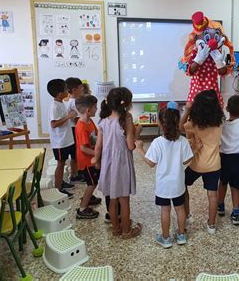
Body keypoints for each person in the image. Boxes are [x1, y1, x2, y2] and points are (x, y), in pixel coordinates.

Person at [136, 102, 194, 248]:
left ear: (161, 123)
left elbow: (150, 163)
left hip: (163, 186)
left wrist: (140, 149)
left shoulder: (157, 142)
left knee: (165, 210)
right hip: (178, 184)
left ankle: (166, 238)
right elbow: (187, 160)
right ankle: (181, 235)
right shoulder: (182, 141)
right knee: (180, 208)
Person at [92, 87, 142, 239]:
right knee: (124, 200)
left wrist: (97, 161)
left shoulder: (103, 121)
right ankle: (127, 231)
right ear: (126, 103)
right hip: (122, 164)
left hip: (108, 164)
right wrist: (137, 134)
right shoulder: (126, 118)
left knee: (112, 200)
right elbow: (130, 146)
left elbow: (98, 146)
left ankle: (116, 229)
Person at [179, 89, 224, 235]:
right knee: (212, 195)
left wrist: (187, 110)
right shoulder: (219, 122)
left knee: (182, 184)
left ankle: (187, 215)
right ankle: (211, 225)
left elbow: (180, 126)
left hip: (196, 165)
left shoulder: (194, 124)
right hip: (214, 165)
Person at [217, 85, 239, 225]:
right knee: (235, 187)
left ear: (227, 109)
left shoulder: (222, 124)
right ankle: (236, 212)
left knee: (223, 182)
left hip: (224, 158)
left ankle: (220, 205)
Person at [47, 79, 77, 198]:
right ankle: (58, 188)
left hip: (66, 139)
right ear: (60, 93)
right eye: (65, 89)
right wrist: (69, 116)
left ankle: (61, 183)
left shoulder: (61, 103)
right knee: (60, 164)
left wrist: (69, 114)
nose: (67, 91)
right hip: (59, 142)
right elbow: (54, 124)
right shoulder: (54, 106)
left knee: (64, 162)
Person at [75, 94, 101, 219]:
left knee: (94, 182)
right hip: (86, 161)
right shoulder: (81, 126)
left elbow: (96, 136)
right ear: (88, 110)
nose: (97, 109)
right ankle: (82, 208)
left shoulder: (89, 121)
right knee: (92, 184)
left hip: (92, 159)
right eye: (95, 107)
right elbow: (83, 148)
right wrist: (98, 153)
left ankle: (89, 198)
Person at [65, 77, 85, 184]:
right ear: (74, 89)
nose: (82, 90)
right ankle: (75, 174)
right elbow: (77, 119)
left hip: (74, 129)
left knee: (75, 153)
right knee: (75, 153)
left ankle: (75, 173)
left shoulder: (72, 101)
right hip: (75, 129)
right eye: (81, 88)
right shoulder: (74, 102)